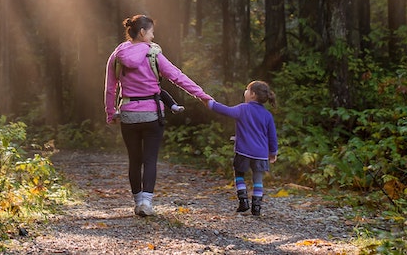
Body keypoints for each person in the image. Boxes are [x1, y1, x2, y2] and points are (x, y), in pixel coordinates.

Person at [105, 14, 212, 217]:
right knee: (150, 159)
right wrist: (202, 96)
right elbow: (177, 77)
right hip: (152, 114)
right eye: (152, 32)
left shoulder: (117, 54)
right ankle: (147, 202)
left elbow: (110, 88)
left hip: (128, 114)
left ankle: (137, 203)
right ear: (143, 32)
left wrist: (111, 113)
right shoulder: (153, 54)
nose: (153, 36)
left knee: (134, 160)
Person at [206, 80, 278, 216]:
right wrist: (272, 152)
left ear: (253, 94)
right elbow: (272, 136)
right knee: (258, 179)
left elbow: (225, 110)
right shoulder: (267, 115)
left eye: (247, 89)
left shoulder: (243, 109)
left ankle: (243, 201)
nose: (245, 92)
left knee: (239, 174)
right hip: (261, 154)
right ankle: (256, 206)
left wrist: (210, 103)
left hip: (243, 151)